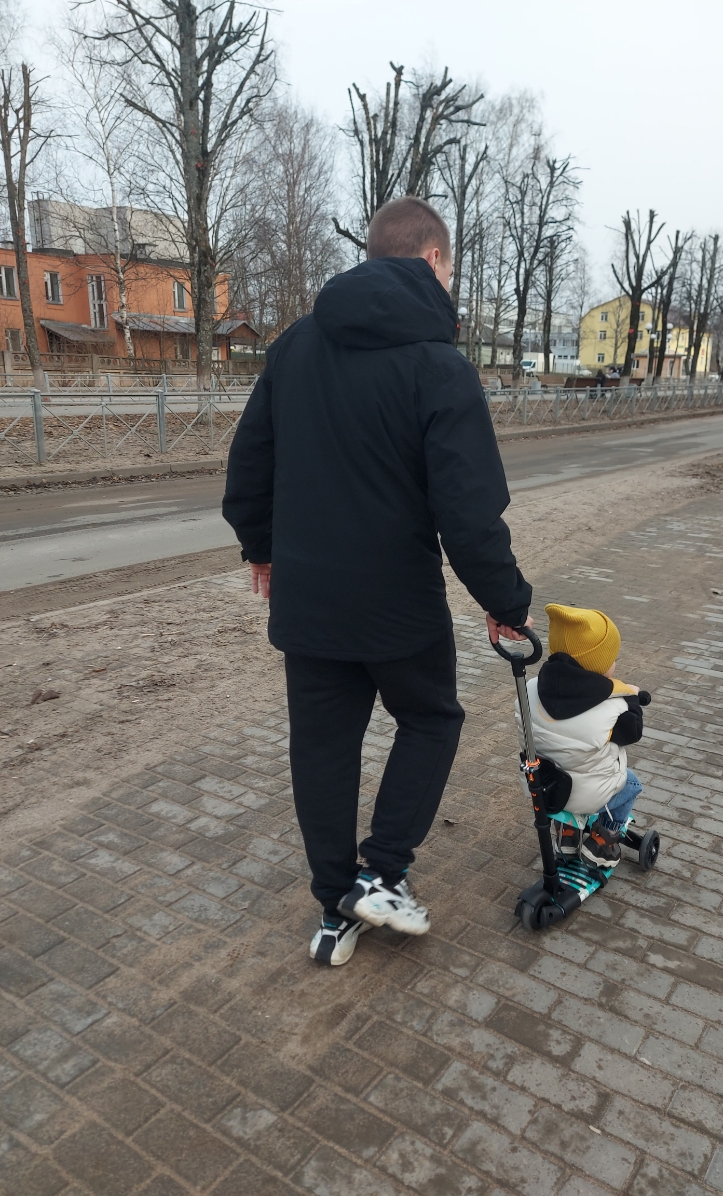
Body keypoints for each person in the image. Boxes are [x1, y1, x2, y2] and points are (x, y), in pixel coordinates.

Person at [223, 196, 532, 966]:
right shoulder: (439, 365)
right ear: (431, 260)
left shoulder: (294, 347)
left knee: (322, 748)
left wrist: (261, 550)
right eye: (451, 268)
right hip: (398, 604)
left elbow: (248, 470)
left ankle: (336, 904)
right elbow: (467, 512)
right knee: (430, 720)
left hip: (309, 599)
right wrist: (506, 602)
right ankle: (382, 871)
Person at [517, 604, 646, 868]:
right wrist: (631, 698)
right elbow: (633, 732)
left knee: (568, 765)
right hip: (586, 795)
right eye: (611, 658)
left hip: (544, 787)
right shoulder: (612, 708)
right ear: (597, 664)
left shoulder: (528, 690)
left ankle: (568, 833)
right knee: (631, 785)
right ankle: (603, 842)